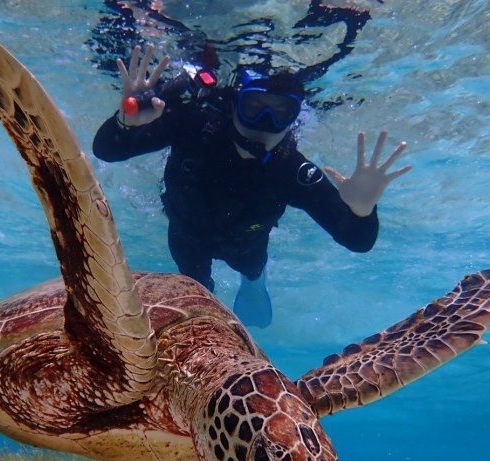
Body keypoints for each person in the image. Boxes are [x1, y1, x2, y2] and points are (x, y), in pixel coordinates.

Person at [92, 44, 411, 327]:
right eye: (254, 107)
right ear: (234, 104)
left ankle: (255, 283)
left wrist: (362, 209)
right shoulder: (193, 126)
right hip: (186, 236)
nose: (266, 124)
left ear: (293, 119)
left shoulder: (290, 170)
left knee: (252, 268)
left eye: (281, 112)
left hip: (248, 245)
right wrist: (125, 121)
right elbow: (107, 149)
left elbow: (358, 240)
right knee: (197, 294)